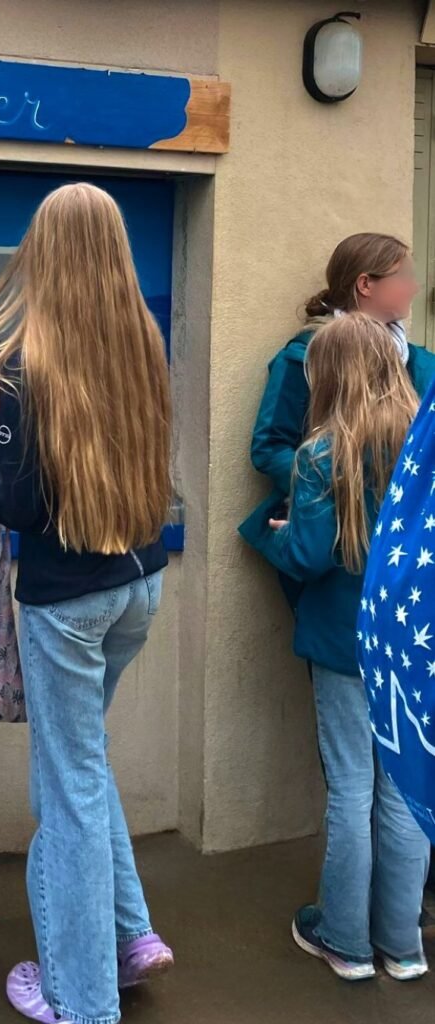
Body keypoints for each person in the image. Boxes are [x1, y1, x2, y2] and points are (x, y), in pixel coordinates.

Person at [0, 182, 174, 1024]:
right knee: (84, 768)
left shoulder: (32, 361)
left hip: (65, 604)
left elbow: (20, 504)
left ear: (45, 252)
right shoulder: (140, 342)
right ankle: (132, 934)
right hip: (137, 583)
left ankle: (79, 997)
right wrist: (6, 429)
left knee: (63, 795)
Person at [242, 313, 430, 982]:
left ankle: (345, 943)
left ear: (333, 375)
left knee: (350, 788)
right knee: (406, 791)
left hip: (343, 642)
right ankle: (401, 946)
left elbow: (309, 556)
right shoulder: (424, 448)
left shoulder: (322, 454)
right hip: (414, 646)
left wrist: (279, 530)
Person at [240, 233, 435, 605]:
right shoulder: (305, 356)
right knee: (337, 648)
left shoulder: (418, 362)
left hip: (402, 538)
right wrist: (337, 481)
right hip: (330, 538)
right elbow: (269, 447)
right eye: (405, 275)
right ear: (366, 284)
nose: (416, 286)